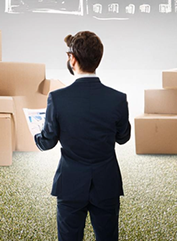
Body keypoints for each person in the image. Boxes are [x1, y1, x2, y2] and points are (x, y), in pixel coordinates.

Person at [35, 31, 131, 241]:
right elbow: (123, 138)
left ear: (72, 59)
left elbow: (47, 141)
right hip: (107, 183)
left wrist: (36, 136)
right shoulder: (118, 99)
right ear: (98, 58)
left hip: (69, 184)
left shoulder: (57, 99)